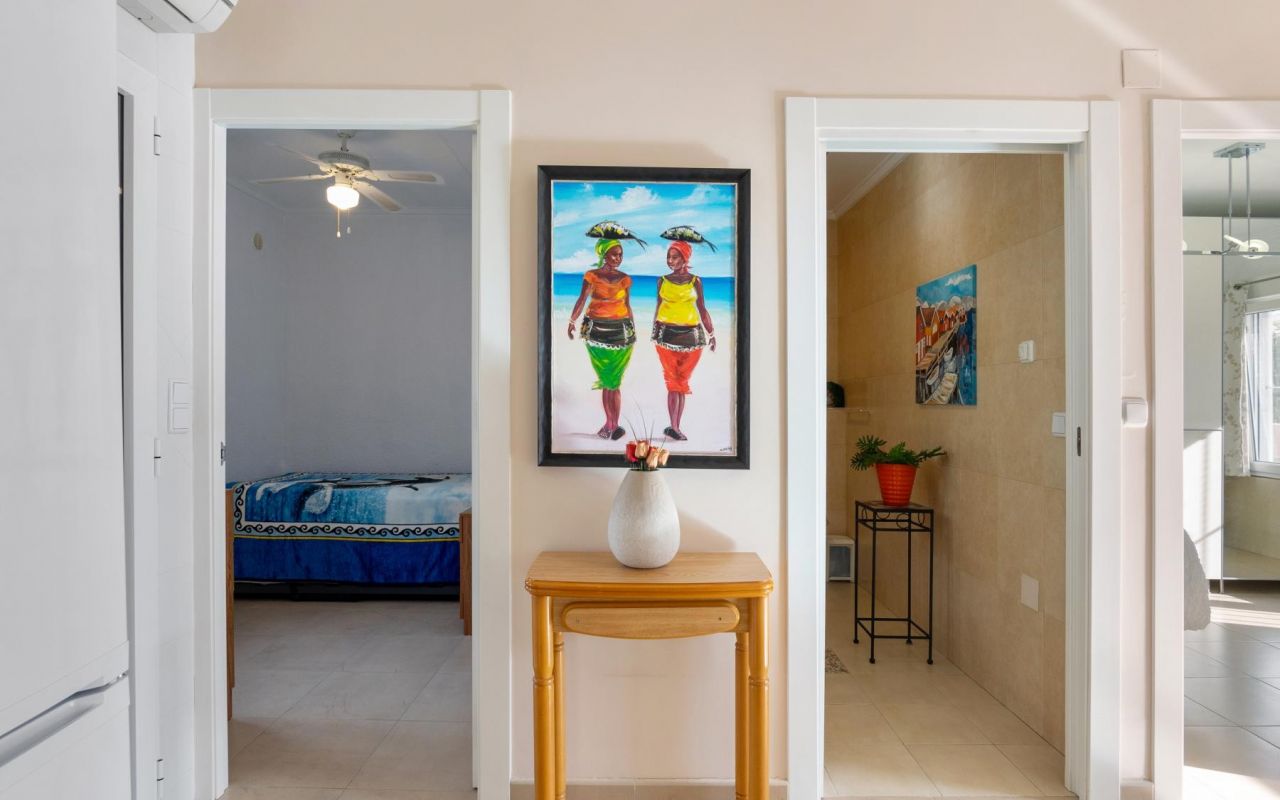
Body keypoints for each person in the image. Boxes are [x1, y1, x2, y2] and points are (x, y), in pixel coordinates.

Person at [566, 238, 635, 439]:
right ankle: (610, 424)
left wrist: (632, 328)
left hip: (621, 331)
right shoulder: (592, 276)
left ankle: (612, 425)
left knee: (614, 381)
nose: (618, 258)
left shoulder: (625, 279)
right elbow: (582, 299)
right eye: (614, 254)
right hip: (596, 331)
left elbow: (627, 305)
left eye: (620, 255)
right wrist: (572, 320)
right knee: (607, 380)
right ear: (604, 254)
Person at [652, 239, 716, 441]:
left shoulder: (695, 281)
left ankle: (675, 426)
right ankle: (674, 426)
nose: (670, 261)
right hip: (665, 335)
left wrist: (712, 333)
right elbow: (658, 307)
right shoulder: (662, 280)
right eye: (668, 257)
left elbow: (702, 309)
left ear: (685, 258)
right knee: (672, 382)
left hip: (692, 337)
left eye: (675, 257)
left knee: (681, 382)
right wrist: (654, 329)